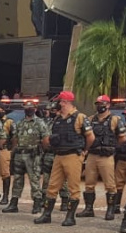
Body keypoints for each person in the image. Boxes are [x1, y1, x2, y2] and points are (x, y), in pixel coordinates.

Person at [34, 91, 93, 226]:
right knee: (52, 186)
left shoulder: (80, 117)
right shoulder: (58, 119)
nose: (58, 104)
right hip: (59, 156)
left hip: (73, 155)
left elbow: (90, 137)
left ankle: (70, 217)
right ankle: (47, 215)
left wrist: (85, 150)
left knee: (73, 187)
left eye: (60, 101)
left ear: (65, 102)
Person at [79, 95, 124, 220]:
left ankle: (110, 210)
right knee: (89, 183)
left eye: (102, 103)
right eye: (98, 104)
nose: (100, 106)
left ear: (108, 105)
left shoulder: (115, 119)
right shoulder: (90, 119)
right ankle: (88, 209)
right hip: (92, 155)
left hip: (106, 156)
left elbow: (122, 138)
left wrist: (113, 148)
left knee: (110, 185)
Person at [3, 100, 48, 214]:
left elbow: (45, 139)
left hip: (33, 155)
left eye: (31, 107)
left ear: (35, 109)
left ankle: (37, 203)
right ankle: (14, 203)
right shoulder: (20, 123)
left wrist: (43, 153)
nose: (28, 110)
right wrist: (13, 152)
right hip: (19, 154)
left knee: (34, 180)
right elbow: (15, 138)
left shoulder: (40, 123)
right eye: (26, 108)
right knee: (17, 179)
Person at [0, 101, 15, 206]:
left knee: (5, 173)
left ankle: (5, 196)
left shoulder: (9, 122)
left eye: (1, 110)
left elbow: (14, 137)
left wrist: (12, 149)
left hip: (4, 149)